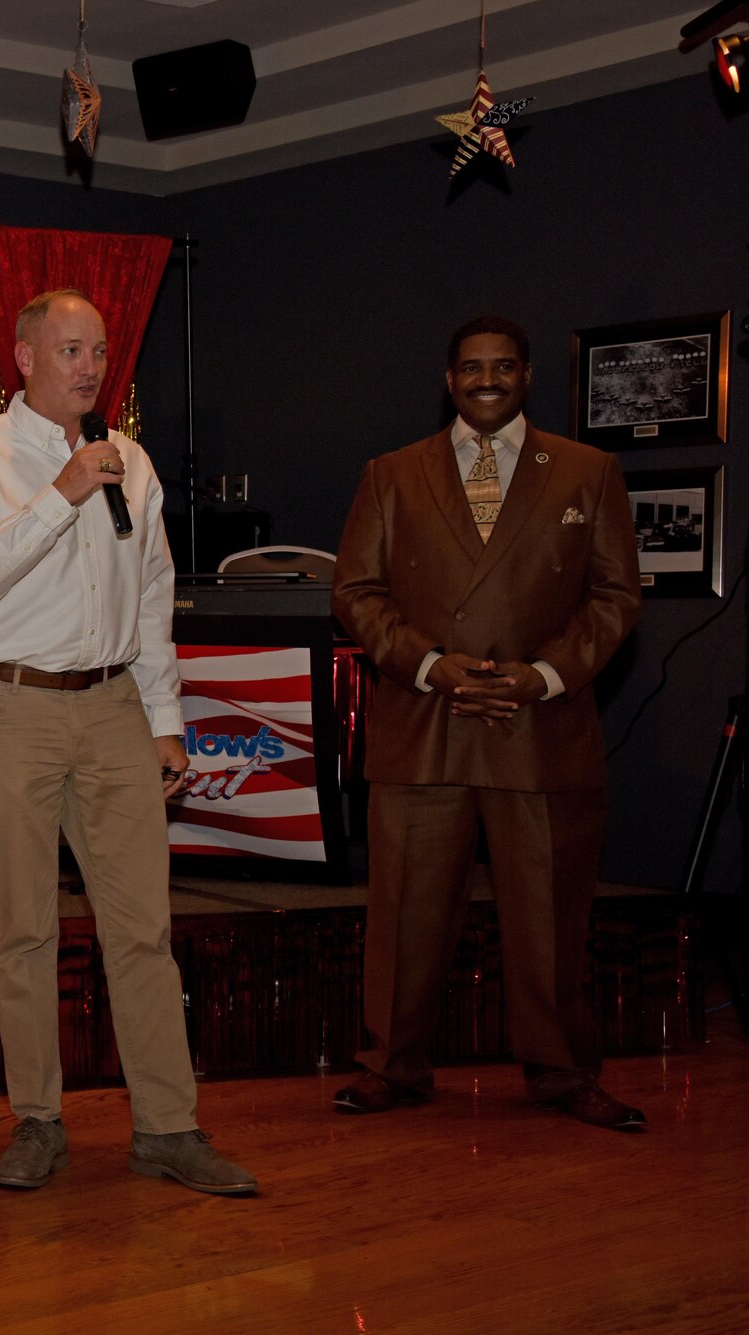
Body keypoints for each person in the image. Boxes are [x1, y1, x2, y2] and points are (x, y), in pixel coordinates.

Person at [0, 289, 256, 1195]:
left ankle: (168, 1126)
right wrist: (60, 495)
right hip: (9, 708)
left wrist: (165, 724)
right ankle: (38, 1120)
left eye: (100, 350)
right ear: (25, 357)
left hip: (114, 706)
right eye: (70, 349)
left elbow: (153, 601)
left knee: (143, 929)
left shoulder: (135, 463)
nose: (89, 366)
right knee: (24, 930)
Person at [330, 315, 644, 1129]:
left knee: (550, 918)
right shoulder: (390, 474)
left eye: (503, 366)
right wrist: (432, 664)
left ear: (528, 375)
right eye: (472, 367)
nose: (487, 379)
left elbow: (616, 598)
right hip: (424, 723)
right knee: (403, 916)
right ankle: (390, 1066)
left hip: (537, 729)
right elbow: (356, 593)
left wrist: (541, 677)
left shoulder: (587, 470)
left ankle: (562, 1072)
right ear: (449, 379)